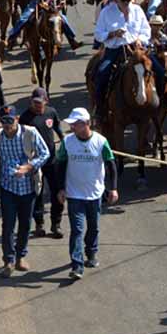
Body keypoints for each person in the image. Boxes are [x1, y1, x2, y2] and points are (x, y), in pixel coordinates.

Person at [0, 105, 49, 277]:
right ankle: (8, 260)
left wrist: (29, 167)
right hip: (8, 188)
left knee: (25, 224)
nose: (7, 125)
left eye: (10, 121)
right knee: (8, 226)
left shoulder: (30, 133)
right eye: (4, 121)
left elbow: (45, 153)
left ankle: (21, 256)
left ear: (17, 119)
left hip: (28, 188)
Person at [54, 108, 118, 280]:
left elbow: (111, 165)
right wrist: (60, 188)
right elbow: (60, 165)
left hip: (95, 194)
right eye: (72, 124)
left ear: (87, 123)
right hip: (74, 194)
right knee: (77, 230)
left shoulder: (101, 141)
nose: (72, 127)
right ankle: (77, 266)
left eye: (76, 124)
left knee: (93, 227)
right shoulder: (67, 142)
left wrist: (113, 188)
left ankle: (91, 252)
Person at [92, 0, 151, 119]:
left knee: (158, 70)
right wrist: (112, 34)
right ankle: (100, 108)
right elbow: (98, 34)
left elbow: (146, 30)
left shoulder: (137, 10)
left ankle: (158, 107)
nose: (126, 3)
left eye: (128, 0)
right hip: (115, 49)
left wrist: (140, 39)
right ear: (116, 0)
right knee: (102, 72)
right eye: (123, 0)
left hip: (135, 48)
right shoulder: (106, 12)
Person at [21, 88, 63, 239]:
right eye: (35, 102)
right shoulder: (25, 118)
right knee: (37, 193)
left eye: (40, 102)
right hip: (36, 162)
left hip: (51, 160)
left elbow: (58, 128)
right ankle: (39, 224)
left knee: (57, 192)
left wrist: (64, 141)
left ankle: (56, 224)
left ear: (46, 101)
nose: (37, 105)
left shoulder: (51, 112)